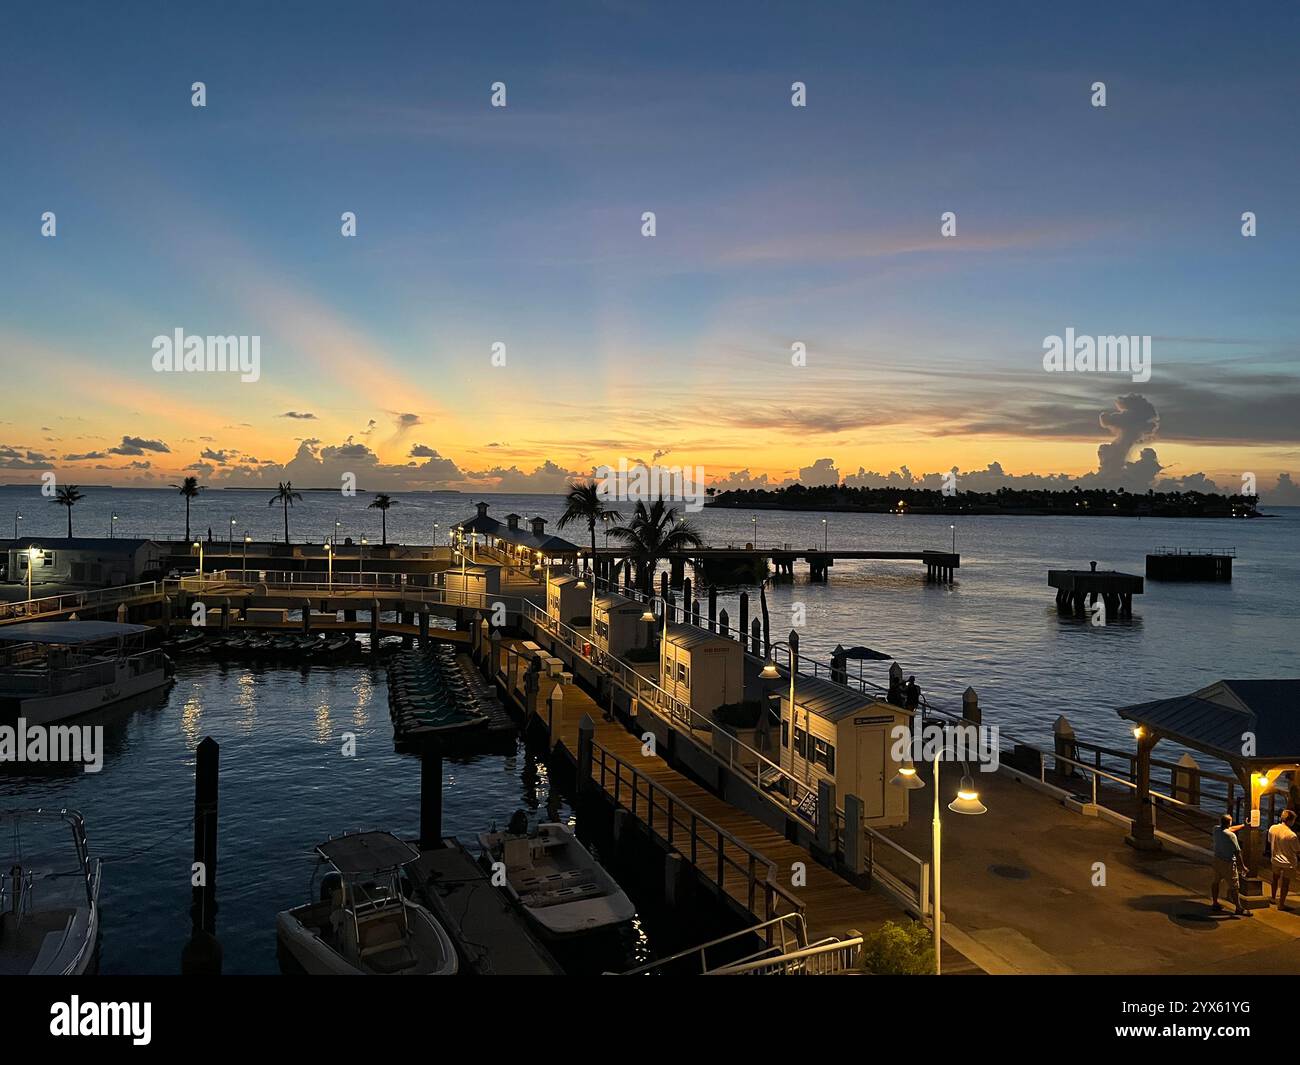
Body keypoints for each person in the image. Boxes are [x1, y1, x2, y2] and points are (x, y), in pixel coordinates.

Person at [1211, 813, 1252, 917]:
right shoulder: (1231, 836)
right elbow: (1238, 852)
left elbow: (1229, 829)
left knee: (1216, 882)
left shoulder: (1216, 829)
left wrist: (1243, 825)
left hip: (1217, 860)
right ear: (1229, 823)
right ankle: (1238, 908)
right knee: (1234, 886)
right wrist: (1242, 866)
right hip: (1228, 863)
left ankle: (1215, 902)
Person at [1268, 809, 1299, 911]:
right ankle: (1281, 904)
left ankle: (1273, 898)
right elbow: (1297, 850)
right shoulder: (1292, 835)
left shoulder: (1273, 828)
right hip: (1288, 863)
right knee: (1285, 883)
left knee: (1275, 878)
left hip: (1275, 859)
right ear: (1290, 820)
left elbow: (1269, 840)